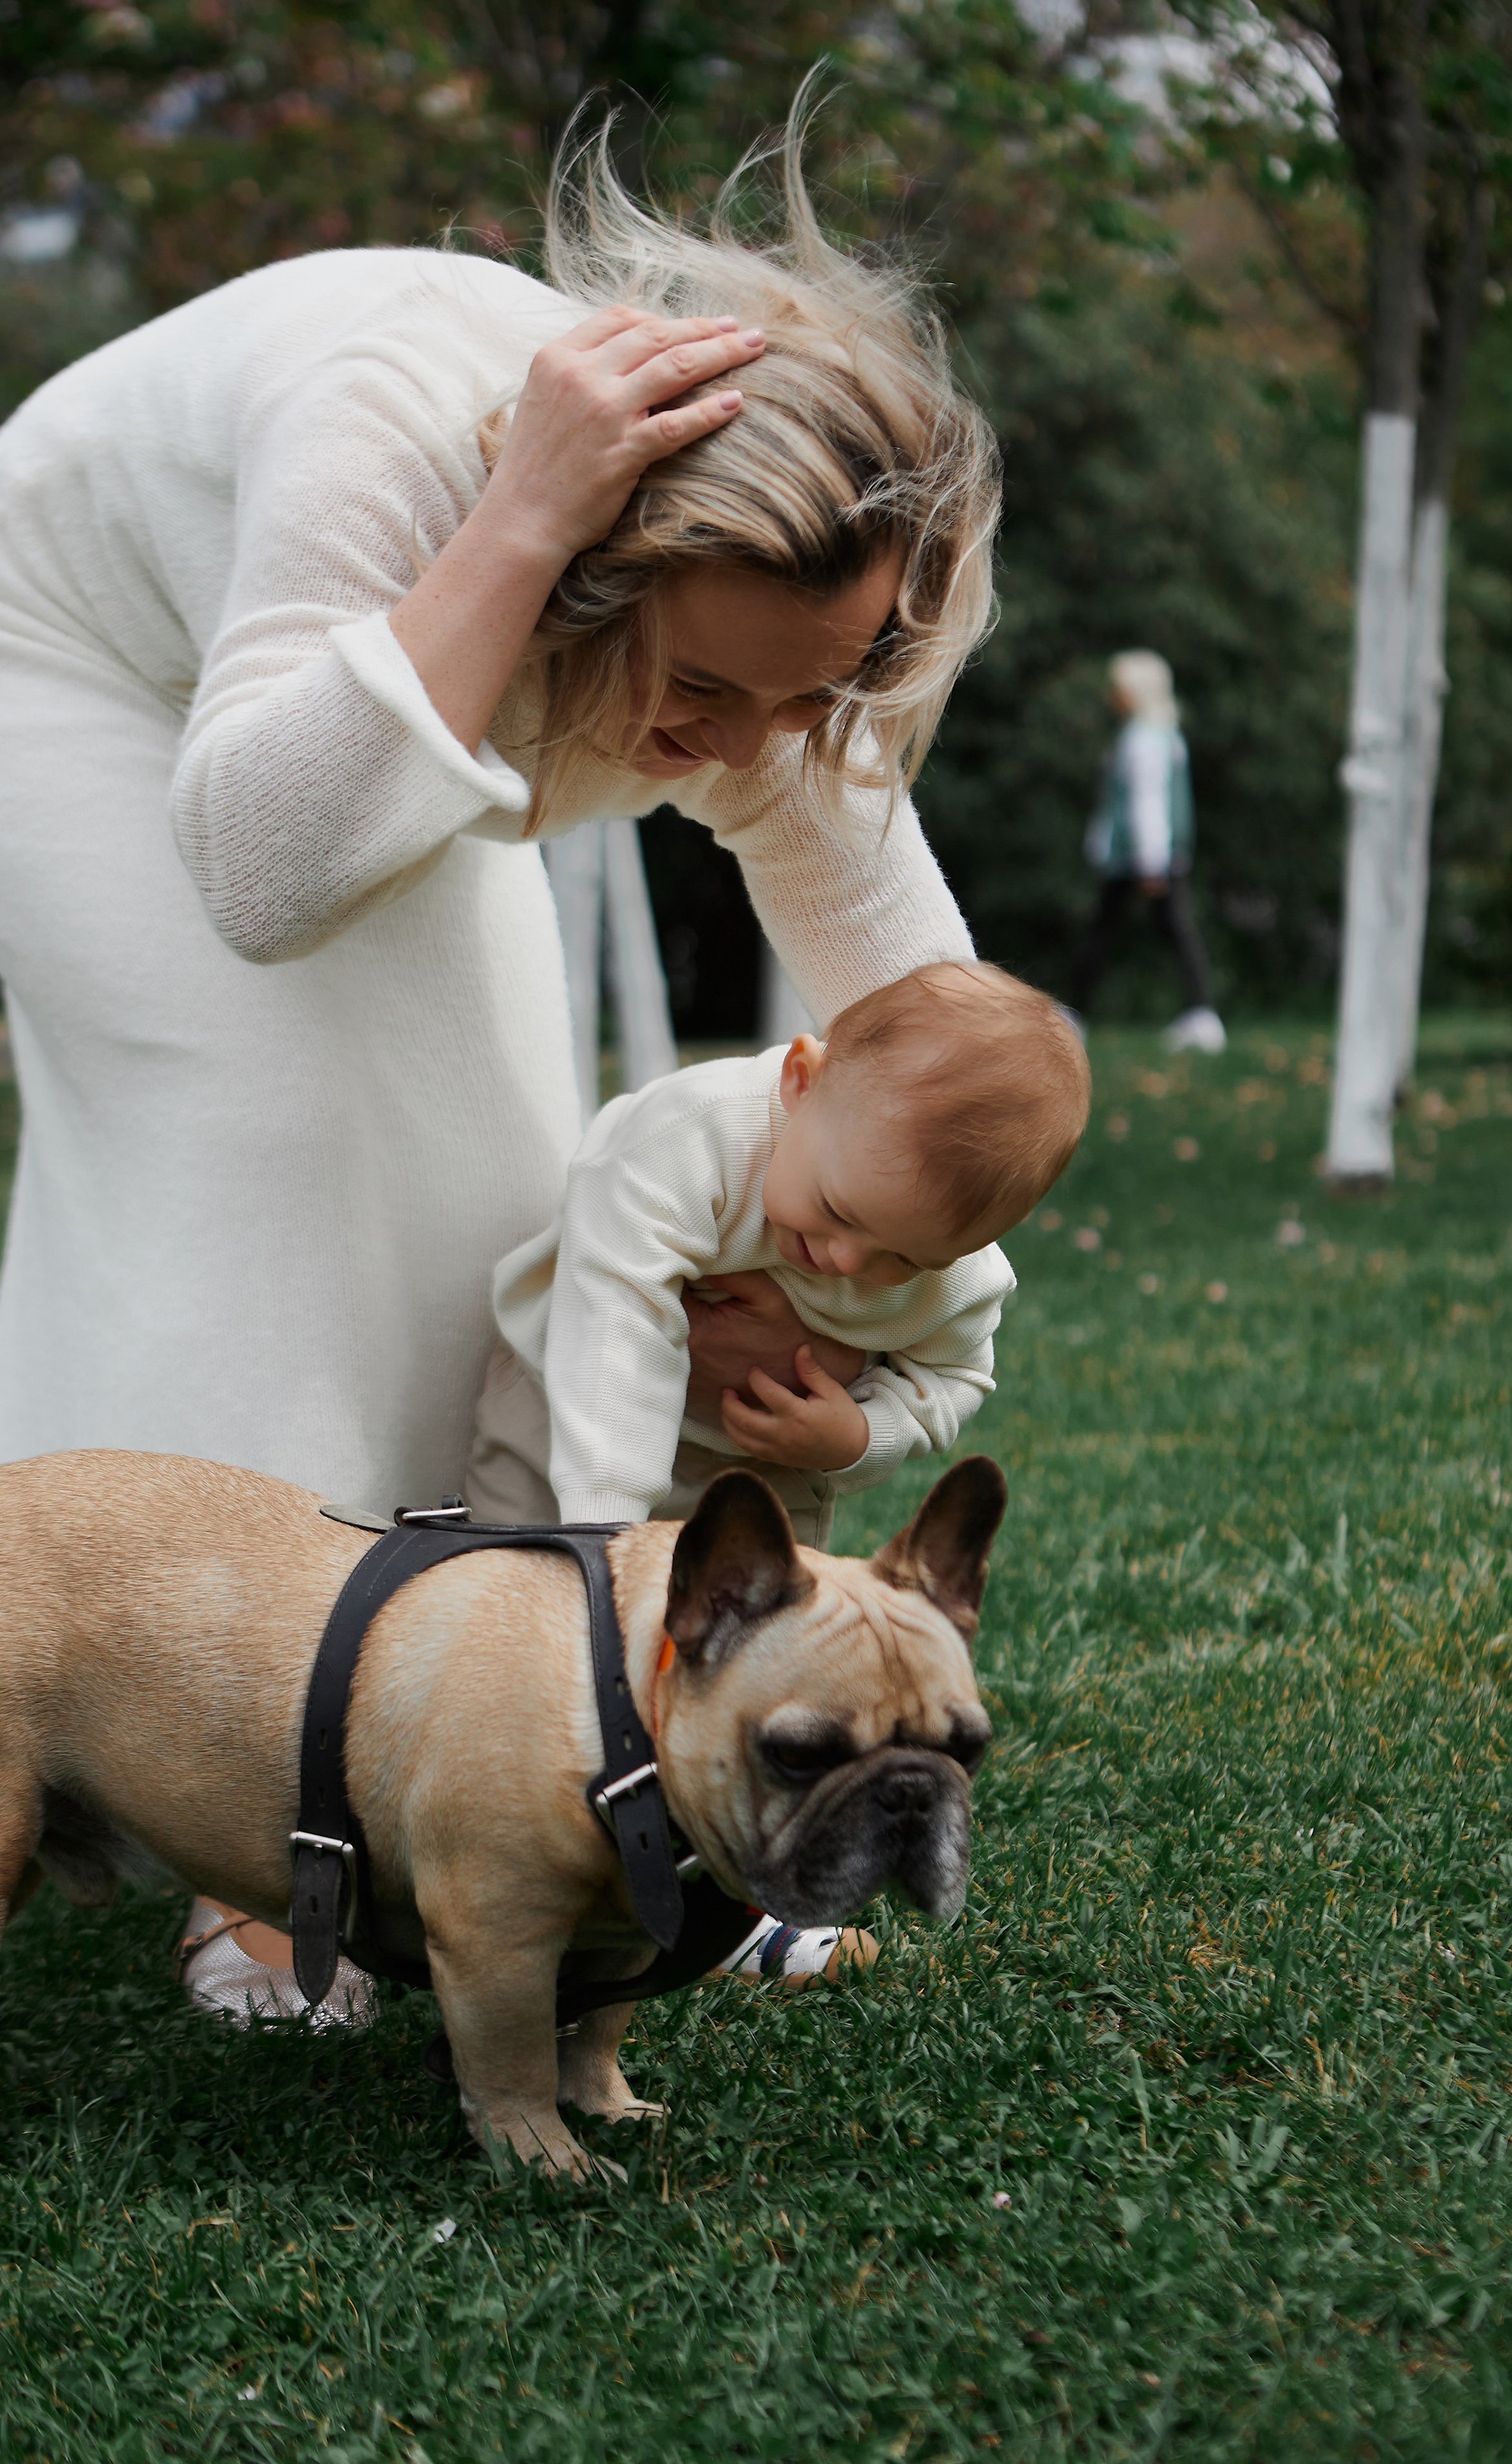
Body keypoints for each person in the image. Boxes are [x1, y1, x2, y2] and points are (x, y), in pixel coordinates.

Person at [0, 99, 1000, 2022]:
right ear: (602, 564)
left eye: (797, 696)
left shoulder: (785, 627)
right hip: (73, 665)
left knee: (517, 1197)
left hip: (349, 701)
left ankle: (603, 1768)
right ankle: (258, 1847)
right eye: (697, 690)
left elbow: (926, 1040)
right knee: (267, 1137)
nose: (736, 749)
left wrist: (868, 1310)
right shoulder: (394, 423)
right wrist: (527, 513)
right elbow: (260, 874)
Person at [467, 960, 1090, 1546]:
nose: (848, 1259)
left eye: (904, 1260)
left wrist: (861, 1435)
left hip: (762, 1460)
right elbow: (613, 1324)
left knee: (751, 1638)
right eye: (838, 1210)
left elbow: (956, 1373)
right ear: (800, 1082)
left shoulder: (957, 1273)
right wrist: (603, 1527)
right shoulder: (688, 1142)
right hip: (562, 1402)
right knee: (517, 1592)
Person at [1072, 649, 1225, 1055]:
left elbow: (1147, 802)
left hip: (1140, 858)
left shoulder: (1142, 738)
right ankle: (1201, 1014)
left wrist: (1151, 861)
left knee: (1110, 931)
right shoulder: (1161, 733)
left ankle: (1076, 1016)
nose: (1111, 695)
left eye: (1117, 687)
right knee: (1168, 930)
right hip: (1151, 855)